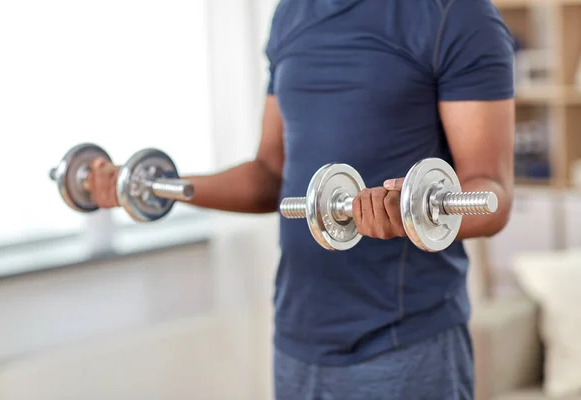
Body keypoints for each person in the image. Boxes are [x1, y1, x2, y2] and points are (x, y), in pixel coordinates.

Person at [88, 0, 515, 398]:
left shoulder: (457, 14)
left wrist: (409, 216)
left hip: (404, 347)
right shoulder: (292, 12)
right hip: (297, 341)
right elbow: (271, 175)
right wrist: (155, 185)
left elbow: (492, 193)